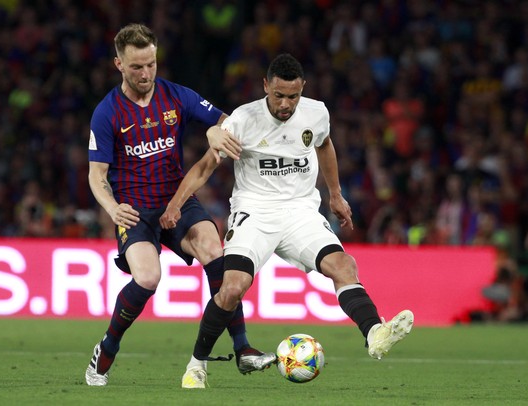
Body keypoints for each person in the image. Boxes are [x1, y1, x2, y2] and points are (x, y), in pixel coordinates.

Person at [160, 53, 414, 389]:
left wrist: (335, 194)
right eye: (278, 95)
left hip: (300, 210)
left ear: (302, 89)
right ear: (266, 86)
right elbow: (206, 166)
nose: (285, 104)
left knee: (343, 265)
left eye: (292, 96)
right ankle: (196, 366)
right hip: (255, 210)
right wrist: (175, 205)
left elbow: (324, 145)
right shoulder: (243, 120)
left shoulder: (316, 112)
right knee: (232, 287)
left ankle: (374, 334)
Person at [85, 23, 274, 387]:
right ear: (119, 65)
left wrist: (218, 129)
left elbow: (226, 121)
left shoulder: (176, 96)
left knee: (214, 249)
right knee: (148, 278)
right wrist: (112, 209)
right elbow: (97, 175)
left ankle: (243, 349)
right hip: (135, 211)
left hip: (177, 200)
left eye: (151, 64)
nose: (146, 74)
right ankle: (106, 348)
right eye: (137, 67)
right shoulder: (107, 113)